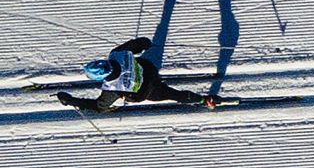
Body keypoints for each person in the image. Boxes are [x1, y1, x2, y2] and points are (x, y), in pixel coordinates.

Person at [55, 37, 216, 112]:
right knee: (174, 94)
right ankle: (202, 99)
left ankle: (203, 100)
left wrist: (70, 100)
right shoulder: (116, 54)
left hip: (148, 90)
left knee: (173, 95)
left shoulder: (113, 88)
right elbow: (142, 43)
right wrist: (147, 44)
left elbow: (99, 106)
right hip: (149, 70)